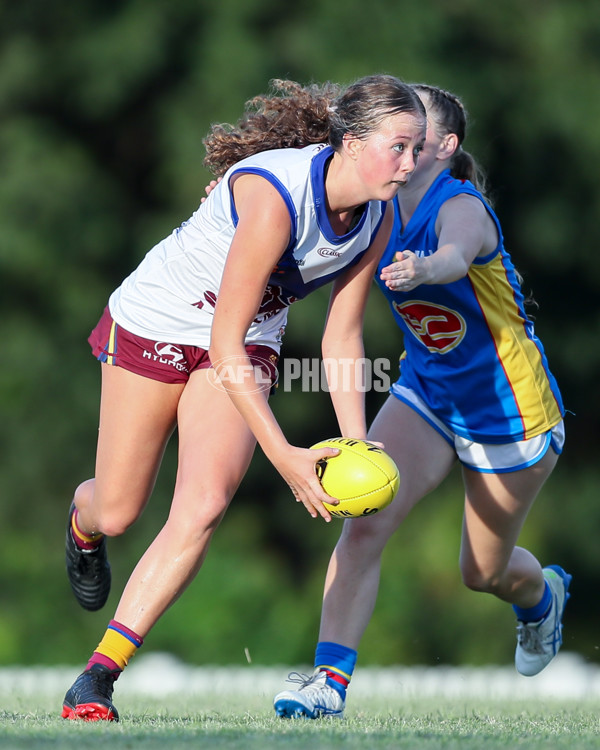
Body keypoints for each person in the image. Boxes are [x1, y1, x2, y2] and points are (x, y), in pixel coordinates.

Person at [60, 75, 427, 722]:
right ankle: (82, 523)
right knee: (117, 511)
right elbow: (220, 339)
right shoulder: (275, 198)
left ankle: (97, 676)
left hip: (244, 341)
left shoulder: (378, 216)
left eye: (417, 148)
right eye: (398, 146)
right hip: (159, 328)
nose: (409, 163)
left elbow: (341, 337)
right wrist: (283, 453)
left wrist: (354, 439)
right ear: (349, 141)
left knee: (202, 506)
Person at [273, 83, 571, 719]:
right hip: (427, 392)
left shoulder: (459, 203)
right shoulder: (376, 205)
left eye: (416, 132)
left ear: (445, 145)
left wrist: (423, 268)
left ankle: (540, 598)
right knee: (366, 520)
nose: (402, 144)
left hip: (510, 414)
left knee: (481, 572)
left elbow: (458, 257)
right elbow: (296, 177)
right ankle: (327, 684)